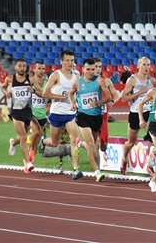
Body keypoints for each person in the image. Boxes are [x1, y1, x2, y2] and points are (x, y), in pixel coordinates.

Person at [69, 58, 111, 182]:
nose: (91, 72)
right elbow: (70, 93)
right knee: (92, 144)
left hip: (96, 117)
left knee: (94, 146)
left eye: (93, 69)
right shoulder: (77, 82)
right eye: (88, 69)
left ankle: (79, 144)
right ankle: (97, 172)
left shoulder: (99, 80)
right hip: (83, 116)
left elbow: (108, 97)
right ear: (83, 69)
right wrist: (72, 103)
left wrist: (98, 102)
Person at [42, 50, 82, 179]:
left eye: (71, 60)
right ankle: (43, 142)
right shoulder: (56, 75)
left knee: (74, 140)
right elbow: (45, 94)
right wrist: (62, 96)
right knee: (54, 143)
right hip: (56, 112)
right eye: (67, 60)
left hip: (70, 112)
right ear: (61, 61)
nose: (70, 63)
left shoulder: (77, 75)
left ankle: (76, 170)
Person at [1, 58, 41, 173]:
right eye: (20, 66)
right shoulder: (10, 79)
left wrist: (33, 90)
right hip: (16, 112)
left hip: (27, 111)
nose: (22, 68)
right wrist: (6, 93)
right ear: (15, 67)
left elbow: (41, 93)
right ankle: (27, 162)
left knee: (23, 135)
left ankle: (13, 142)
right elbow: (3, 87)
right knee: (23, 136)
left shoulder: (31, 79)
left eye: (24, 66)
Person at [77, 57, 120, 155]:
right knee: (94, 143)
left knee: (104, 147)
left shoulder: (106, 81)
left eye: (100, 67)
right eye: (96, 67)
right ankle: (96, 167)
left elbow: (116, 95)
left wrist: (112, 101)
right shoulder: (86, 81)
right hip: (91, 115)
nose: (98, 69)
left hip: (103, 116)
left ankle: (80, 144)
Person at [119, 57, 154, 175]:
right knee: (131, 142)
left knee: (154, 137)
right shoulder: (132, 80)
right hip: (135, 113)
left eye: (148, 65)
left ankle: (149, 163)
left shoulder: (151, 80)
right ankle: (124, 158)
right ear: (138, 66)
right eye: (144, 64)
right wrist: (140, 92)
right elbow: (123, 98)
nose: (146, 67)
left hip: (148, 112)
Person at [9, 61, 48, 161]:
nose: (41, 71)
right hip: (30, 112)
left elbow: (47, 96)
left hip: (42, 113)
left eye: (43, 68)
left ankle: (14, 143)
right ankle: (29, 157)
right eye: (39, 68)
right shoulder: (29, 80)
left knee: (34, 135)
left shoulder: (47, 83)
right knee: (31, 133)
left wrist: (49, 106)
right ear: (33, 69)